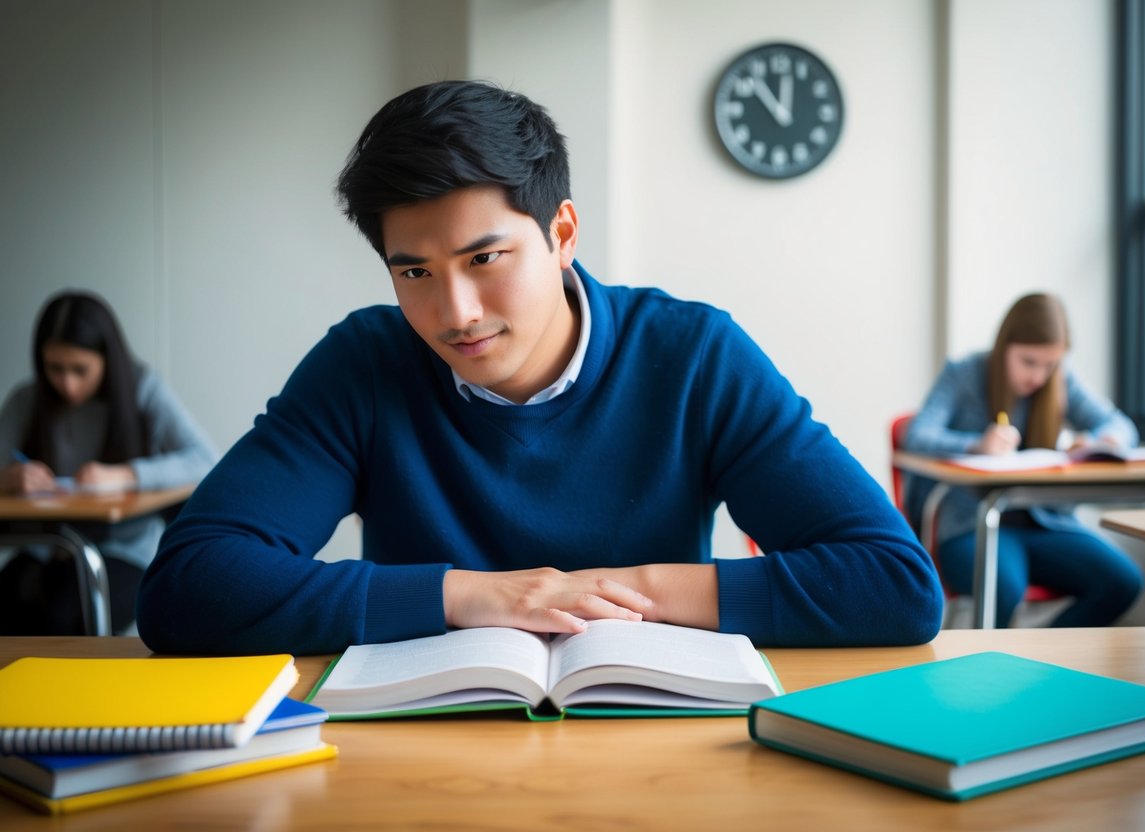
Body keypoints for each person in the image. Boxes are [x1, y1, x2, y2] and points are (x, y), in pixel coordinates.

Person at [137, 80, 943, 655]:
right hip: (414, 767)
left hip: (658, 745)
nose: (453, 312)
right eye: (412, 271)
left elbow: (893, 583)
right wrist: (485, 597)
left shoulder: (691, 353)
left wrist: (618, 594)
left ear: (561, 233)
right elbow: (188, 590)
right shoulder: (364, 364)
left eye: (485, 257)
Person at [901, 293, 1145, 628]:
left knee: (1123, 583)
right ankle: (994, 676)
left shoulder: (1062, 381)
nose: (1039, 377)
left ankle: (1042, 667)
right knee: (1002, 588)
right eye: (1029, 362)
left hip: (1047, 524)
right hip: (971, 527)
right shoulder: (964, 374)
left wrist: (1102, 440)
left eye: (1050, 365)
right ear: (1005, 347)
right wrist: (976, 445)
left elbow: (1121, 426)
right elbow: (916, 434)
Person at [0, 291, 218, 634]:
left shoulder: (143, 389)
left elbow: (205, 459)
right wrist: (9, 479)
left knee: (65, 620)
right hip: (45, 548)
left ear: (108, 359)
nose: (68, 384)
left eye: (80, 370)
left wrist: (125, 475)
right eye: (55, 369)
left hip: (121, 550)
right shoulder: (27, 399)